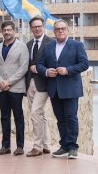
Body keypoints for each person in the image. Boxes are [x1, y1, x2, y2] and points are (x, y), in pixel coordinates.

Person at [37, 19, 89, 159]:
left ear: (67, 30)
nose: (60, 31)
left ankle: (72, 147)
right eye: (57, 29)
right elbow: (39, 65)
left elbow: (84, 64)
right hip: (54, 89)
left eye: (63, 28)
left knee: (71, 118)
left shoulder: (77, 45)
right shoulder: (48, 47)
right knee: (60, 119)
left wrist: (68, 70)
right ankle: (64, 146)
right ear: (53, 32)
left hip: (71, 89)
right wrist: (47, 72)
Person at [0, 20, 29, 156]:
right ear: (2, 32)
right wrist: (1, 82)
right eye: (4, 30)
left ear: (14, 31)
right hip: (1, 88)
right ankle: (5, 146)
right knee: (4, 117)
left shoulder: (22, 46)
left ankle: (20, 146)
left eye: (9, 30)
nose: (7, 32)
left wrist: (9, 82)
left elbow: (24, 67)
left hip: (15, 87)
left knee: (18, 117)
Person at [25, 17, 52, 157]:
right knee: (40, 114)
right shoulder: (28, 44)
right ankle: (46, 144)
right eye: (34, 27)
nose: (37, 29)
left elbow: (54, 62)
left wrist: (40, 68)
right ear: (31, 28)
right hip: (30, 83)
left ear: (43, 26)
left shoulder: (51, 42)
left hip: (44, 83)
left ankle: (37, 146)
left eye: (39, 26)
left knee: (35, 113)